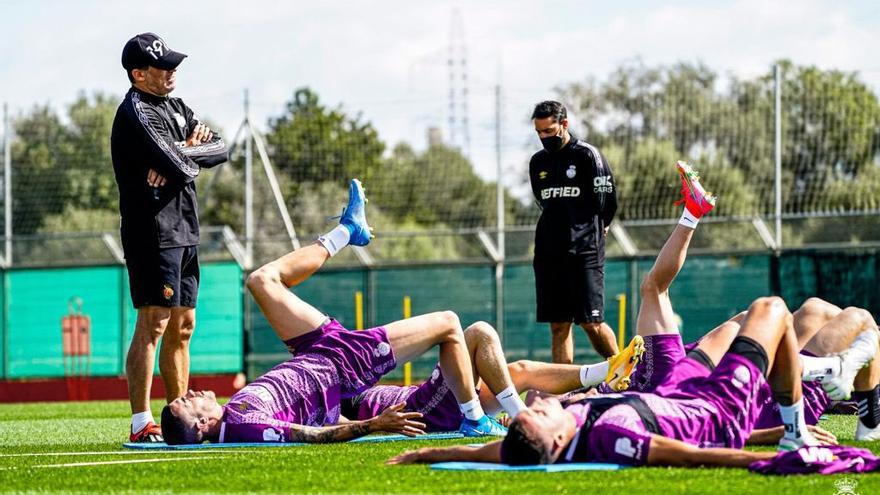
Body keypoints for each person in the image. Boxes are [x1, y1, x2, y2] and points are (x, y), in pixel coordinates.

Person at [387, 163, 878, 467]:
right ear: (555, 441)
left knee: (796, 314)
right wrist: (772, 450)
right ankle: (841, 390)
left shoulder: (562, 429)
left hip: (676, 386)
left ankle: (861, 410)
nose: (531, 405)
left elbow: (503, 445)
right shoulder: (611, 431)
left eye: (526, 411)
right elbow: (692, 450)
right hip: (724, 402)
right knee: (844, 318)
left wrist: (431, 452)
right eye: (535, 414)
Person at [160, 180, 522, 444]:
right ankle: (477, 419)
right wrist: (373, 425)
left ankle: (348, 230)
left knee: (260, 280)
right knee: (448, 323)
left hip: (314, 353)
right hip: (339, 367)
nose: (189, 394)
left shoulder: (234, 410)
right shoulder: (240, 426)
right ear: (201, 425)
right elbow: (313, 434)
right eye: (186, 403)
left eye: (182, 395)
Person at [111, 32, 229, 443]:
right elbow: (179, 157)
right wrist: (181, 153)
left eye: (173, 64)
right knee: (155, 322)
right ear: (139, 74)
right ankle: (142, 421)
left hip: (186, 227)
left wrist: (179, 154)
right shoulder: (136, 111)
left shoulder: (176, 106)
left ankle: (183, 420)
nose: (172, 71)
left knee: (184, 326)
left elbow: (222, 147)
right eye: (163, 67)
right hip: (153, 231)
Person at [341, 321, 646, 432]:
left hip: (430, 401)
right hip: (421, 411)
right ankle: (521, 419)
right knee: (478, 333)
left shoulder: (349, 382)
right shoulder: (332, 399)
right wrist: (377, 425)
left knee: (520, 371)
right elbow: (333, 428)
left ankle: (605, 373)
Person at [528, 100, 618, 363]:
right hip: (548, 252)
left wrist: (594, 229)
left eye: (549, 131)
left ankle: (628, 375)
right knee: (558, 325)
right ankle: (563, 392)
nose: (544, 137)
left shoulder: (587, 155)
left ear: (564, 124)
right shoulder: (538, 162)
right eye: (539, 132)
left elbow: (608, 201)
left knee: (591, 322)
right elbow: (542, 201)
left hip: (584, 250)